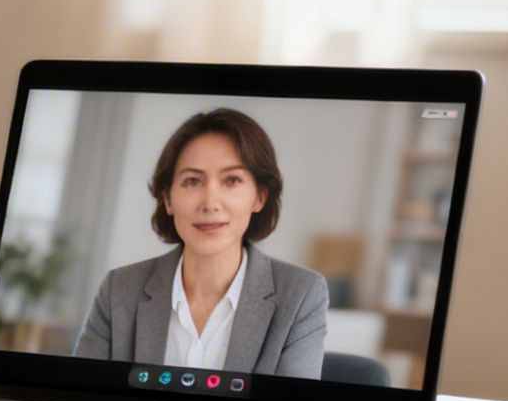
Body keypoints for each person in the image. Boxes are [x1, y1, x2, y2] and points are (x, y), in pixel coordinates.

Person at [72, 108, 327, 377]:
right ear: (168, 199)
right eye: (192, 181)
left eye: (232, 180)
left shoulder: (301, 294)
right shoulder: (120, 290)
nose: (210, 203)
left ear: (259, 197)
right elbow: (80, 396)